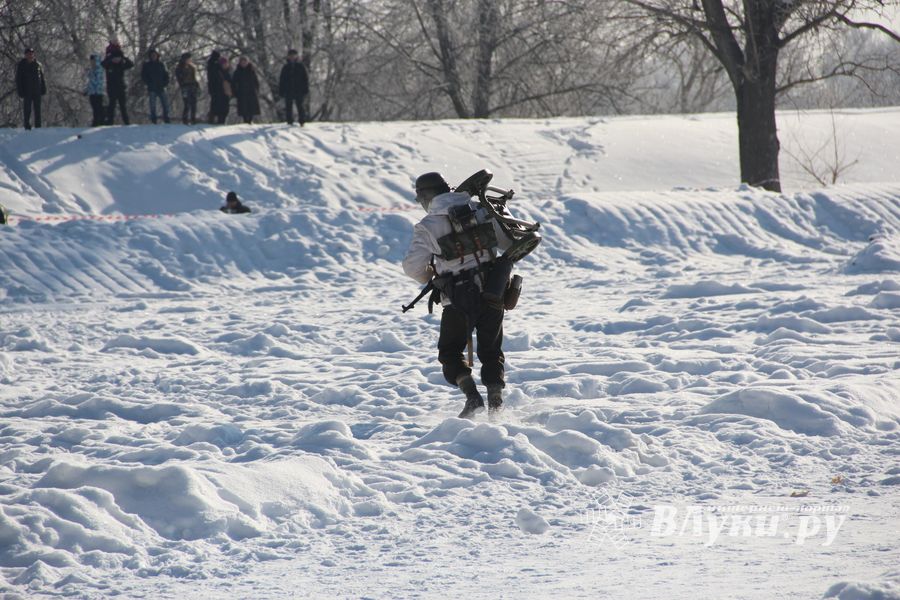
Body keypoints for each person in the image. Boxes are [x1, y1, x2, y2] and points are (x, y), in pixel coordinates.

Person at [402, 172, 514, 418]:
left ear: (426, 196)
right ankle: (496, 404)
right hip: (493, 291)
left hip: (456, 299)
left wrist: (429, 275)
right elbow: (507, 243)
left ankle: (472, 398)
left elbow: (413, 267)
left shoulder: (428, 226)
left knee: (450, 352)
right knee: (492, 352)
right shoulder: (480, 209)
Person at [15, 48, 47, 130]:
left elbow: (42, 78)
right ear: (25, 55)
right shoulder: (21, 65)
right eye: (28, 54)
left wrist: (43, 88)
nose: (30, 55)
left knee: (37, 110)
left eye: (32, 53)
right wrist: (20, 91)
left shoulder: (38, 64)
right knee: (27, 109)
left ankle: (38, 126)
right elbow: (19, 79)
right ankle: (27, 125)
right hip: (27, 91)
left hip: (37, 90)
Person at [102, 43, 134, 125]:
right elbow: (103, 63)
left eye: (118, 58)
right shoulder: (109, 65)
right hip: (111, 88)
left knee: (123, 106)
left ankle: (126, 122)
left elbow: (131, 64)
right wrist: (109, 58)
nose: (117, 59)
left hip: (121, 88)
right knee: (111, 106)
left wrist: (123, 57)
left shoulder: (121, 65)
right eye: (115, 58)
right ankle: (110, 122)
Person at [278, 49, 309, 126]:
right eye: (290, 55)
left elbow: (305, 79)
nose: (292, 57)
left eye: (293, 55)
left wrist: (305, 89)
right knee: (288, 106)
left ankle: (302, 120)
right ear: (288, 57)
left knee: (300, 105)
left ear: (296, 56)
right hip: (288, 89)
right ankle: (289, 121)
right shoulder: (285, 67)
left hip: (299, 89)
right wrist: (281, 90)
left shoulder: (301, 66)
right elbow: (282, 80)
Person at [141, 48, 170, 124]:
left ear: (157, 56)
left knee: (165, 104)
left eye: (155, 55)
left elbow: (166, 75)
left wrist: (165, 83)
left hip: (161, 87)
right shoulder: (147, 65)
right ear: (150, 56)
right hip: (152, 87)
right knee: (152, 105)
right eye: (152, 55)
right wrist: (148, 83)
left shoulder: (162, 64)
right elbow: (143, 76)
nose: (154, 56)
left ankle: (166, 118)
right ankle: (154, 119)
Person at [231, 56, 260, 124]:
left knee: (251, 107)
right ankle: (245, 120)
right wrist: (235, 92)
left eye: (245, 62)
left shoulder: (251, 70)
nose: (244, 63)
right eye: (242, 62)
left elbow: (256, 81)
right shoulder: (237, 71)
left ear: (248, 62)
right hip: (242, 92)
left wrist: (257, 89)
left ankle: (250, 120)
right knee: (243, 107)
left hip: (251, 91)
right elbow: (234, 83)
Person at [207, 51, 231, 124]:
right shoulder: (216, 69)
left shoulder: (214, 67)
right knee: (218, 106)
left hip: (222, 91)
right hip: (218, 90)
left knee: (220, 106)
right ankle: (217, 120)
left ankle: (219, 120)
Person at [175, 53, 199, 124]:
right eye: (188, 59)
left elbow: (194, 78)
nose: (189, 60)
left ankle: (193, 119)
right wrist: (182, 84)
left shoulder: (192, 67)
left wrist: (197, 85)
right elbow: (179, 78)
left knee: (194, 103)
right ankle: (185, 119)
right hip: (185, 87)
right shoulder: (179, 68)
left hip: (192, 86)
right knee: (187, 103)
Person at [84, 54, 106, 127]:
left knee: (98, 109)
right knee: (95, 109)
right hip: (92, 93)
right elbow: (90, 82)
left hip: (98, 93)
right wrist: (87, 90)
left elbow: (96, 82)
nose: (91, 62)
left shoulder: (99, 70)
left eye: (93, 61)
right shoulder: (92, 70)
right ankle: (96, 122)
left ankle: (99, 123)